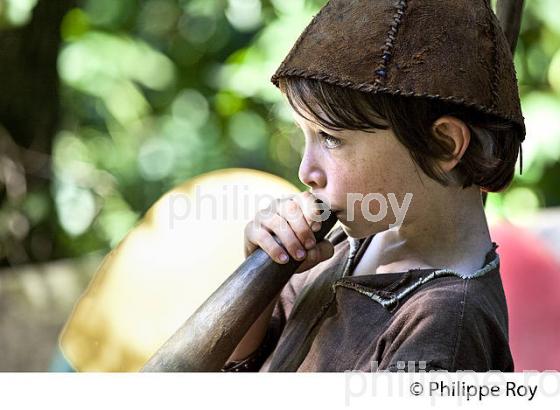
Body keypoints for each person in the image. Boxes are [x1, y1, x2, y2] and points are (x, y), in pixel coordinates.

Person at [222, 0, 525, 372]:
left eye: (330, 137)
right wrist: (256, 289)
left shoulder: (446, 327)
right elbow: (245, 364)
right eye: (305, 136)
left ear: (444, 144)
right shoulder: (343, 241)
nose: (306, 171)